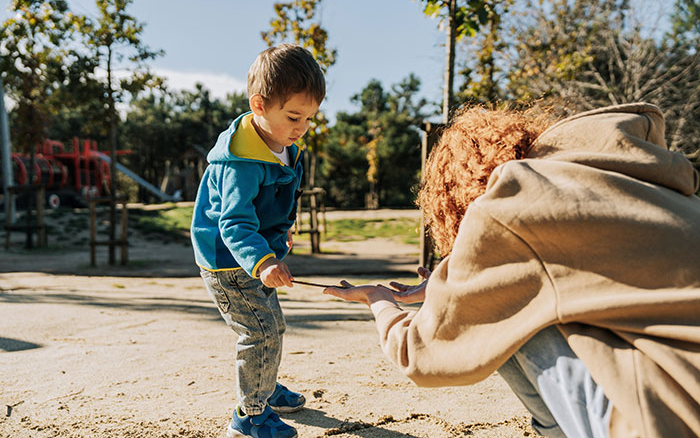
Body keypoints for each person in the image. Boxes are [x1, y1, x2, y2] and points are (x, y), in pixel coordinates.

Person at [324, 103, 700, 438]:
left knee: (512, 314)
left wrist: (379, 300)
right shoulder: (623, 183)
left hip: (672, 422)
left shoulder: (508, 208)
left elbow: (417, 354)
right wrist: (457, 279)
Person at [190, 43, 325, 438]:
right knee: (259, 333)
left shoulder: (284, 147)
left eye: (309, 118)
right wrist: (263, 261)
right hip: (230, 262)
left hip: (254, 258)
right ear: (260, 105)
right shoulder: (241, 163)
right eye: (294, 116)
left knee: (273, 327)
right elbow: (233, 222)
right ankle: (249, 417)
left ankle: (263, 388)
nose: (301, 128)